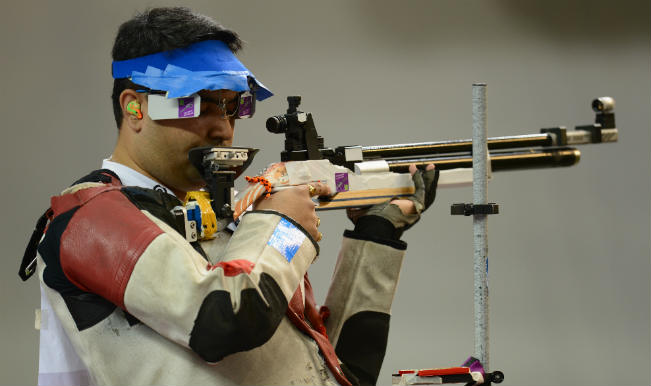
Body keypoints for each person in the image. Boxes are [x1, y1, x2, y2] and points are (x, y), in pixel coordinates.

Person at [22, 7, 439, 386]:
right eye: (198, 104)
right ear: (135, 108)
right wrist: (284, 225)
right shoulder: (91, 217)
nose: (222, 128)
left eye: (231, 106)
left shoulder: (238, 225)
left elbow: (336, 373)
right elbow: (226, 318)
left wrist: (376, 233)